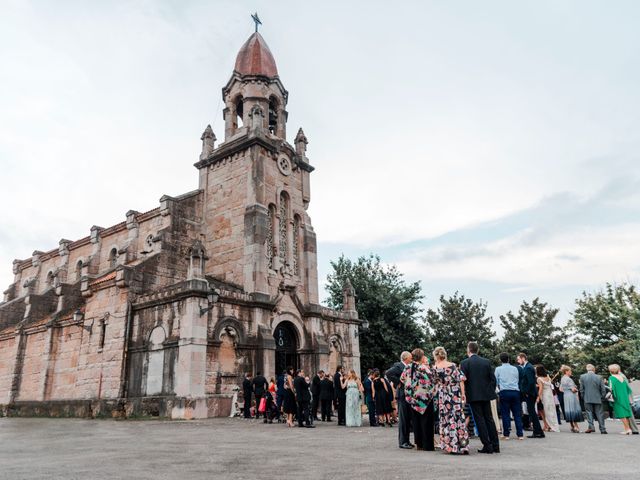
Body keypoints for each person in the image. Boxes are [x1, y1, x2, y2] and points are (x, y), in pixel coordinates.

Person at [460, 341, 500, 454]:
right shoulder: (486, 362)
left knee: (480, 420)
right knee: (489, 419)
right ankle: (495, 445)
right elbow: (493, 379)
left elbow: (464, 380)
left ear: (468, 350)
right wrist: (489, 391)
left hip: (473, 395)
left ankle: (487, 445)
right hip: (486, 395)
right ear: (477, 350)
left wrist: (465, 393)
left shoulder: (464, 363)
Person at [433, 346, 469, 454]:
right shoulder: (453, 366)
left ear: (436, 356)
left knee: (446, 419)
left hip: (443, 396)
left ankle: (450, 447)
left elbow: (434, 384)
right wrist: (463, 394)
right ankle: (462, 446)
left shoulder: (435, 368)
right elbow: (461, 380)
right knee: (458, 418)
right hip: (455, 394)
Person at [401, 348, 435, 451]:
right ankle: (427, 445)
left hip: (413, 399)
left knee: (416, 422)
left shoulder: (407, 368)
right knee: (427, 422)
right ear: (422, 356)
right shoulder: (424, 368)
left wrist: (411, 386)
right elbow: (431, 381)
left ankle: (419, 444)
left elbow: (402, 379)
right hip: (425, 399)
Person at [386, 351, 414, 449]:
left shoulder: (407, 366)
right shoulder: (399, 366)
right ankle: (402, 442)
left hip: (407, 394)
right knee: (403, 419)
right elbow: (388, 373)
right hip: (402, 394)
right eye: (410, 357)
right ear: (406, 358)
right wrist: (398, 382)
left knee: (407, 419)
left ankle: (407, 441)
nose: (412, 359)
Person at [494, 353, 524, 440]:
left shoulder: (498, 369)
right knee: (517, 414)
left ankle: (506, 434)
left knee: (505, 414)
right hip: (515, 391)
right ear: (508, 359)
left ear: (500, 360)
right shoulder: (515, 368)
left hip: (504, 392)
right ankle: (520, 434)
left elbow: (496, 381)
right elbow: (517, 379)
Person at [517, 353, 545, 438]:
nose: (518, 361)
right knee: (532, 412)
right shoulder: (528, 366)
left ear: (523, 358)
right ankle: (539, 432)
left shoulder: (528, 367)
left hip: (530, 393)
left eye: (518, 359)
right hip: (531, 393)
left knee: (532, 413)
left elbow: (530, 382)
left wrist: (526, 392)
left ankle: (537, 432)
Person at [579, 364, 607, 434]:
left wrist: (583, 397)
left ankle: (591, 427)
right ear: (594, 369)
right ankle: (603, 429)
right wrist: (602, 397)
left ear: (587, 369)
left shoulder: (582, 377)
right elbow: (603, 389)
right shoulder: (599, 377)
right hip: (598, 398)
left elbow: (581, 389)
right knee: (600, 413)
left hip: (587, 398)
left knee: (589, 412)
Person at [608, 364, 634, 435]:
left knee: (622, 414)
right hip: (625, 397)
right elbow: (628, 389)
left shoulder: (611, 378)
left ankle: (627, 429)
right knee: (626, 413)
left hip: (618, 397)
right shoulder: (622, 377)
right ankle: (628, 429)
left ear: (611, 371)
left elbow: (611, 388)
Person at [557, 365, 582, 433]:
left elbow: (560, 389)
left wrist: (566, 390)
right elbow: (573, 389)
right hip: (571, 395)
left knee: (569, 410)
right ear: (566, 371)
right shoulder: (569, 379)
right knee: (573, 410)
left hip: (566, 396)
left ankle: (572, 426)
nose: (571, 372)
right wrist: (577, 390)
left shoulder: (562, 378)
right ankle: (576, 427)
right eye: (570, 371)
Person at [536, 365, 559, 433]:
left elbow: (541, 389)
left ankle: (550, 426)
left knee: (547, 410)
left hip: (545, 395)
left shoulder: (539, 379)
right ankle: (553, 425)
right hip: (550, 395)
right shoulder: (548, 377)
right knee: (552, 410)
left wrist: (538, 397)